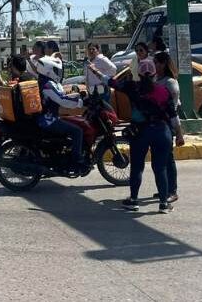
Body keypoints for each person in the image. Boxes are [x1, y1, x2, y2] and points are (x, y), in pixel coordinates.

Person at [98, 59, 183, 214]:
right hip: (161, 132)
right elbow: (173, 115)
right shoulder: (163, 91)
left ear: (138, 74)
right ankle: (164, 203)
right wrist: (179, 134)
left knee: (137, 167)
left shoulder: (132, 87)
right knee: (160, 168)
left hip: (140, 132)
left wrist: (95, 71)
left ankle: (134, 200)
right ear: (155, 74)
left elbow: (111, 82)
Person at [32, 56, 85, 172]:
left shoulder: (44, 81)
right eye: (57, 70)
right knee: (77, 131)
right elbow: (61, 100)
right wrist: (80, 103)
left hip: (47, 118)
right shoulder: (47, 84)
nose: (59, 73)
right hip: (48, 120)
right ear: (48, 70)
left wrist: (77, 96)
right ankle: (76, 161)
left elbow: (61, 96)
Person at [154, 51, 183, 204]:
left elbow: (173, 108)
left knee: (168, 159)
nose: (155, 65)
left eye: (157, 63)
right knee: (159, 159)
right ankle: (163, 188)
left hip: (167, 125)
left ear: (164, 64)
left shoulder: (170, 82)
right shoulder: (156, 79)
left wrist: (179, 133)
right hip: (156, 125)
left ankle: (172, 190)